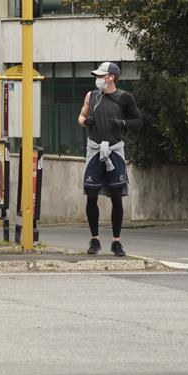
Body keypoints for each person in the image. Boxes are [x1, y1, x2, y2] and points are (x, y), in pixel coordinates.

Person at [77, 61, 142, 256]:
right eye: (97, 76)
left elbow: (138, 121)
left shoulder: (125, 98)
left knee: (116, 195)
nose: (98, 79)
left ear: (111, 77)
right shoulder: (91, 96)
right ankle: (94, 239)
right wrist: (86, 121)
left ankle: (116, 241)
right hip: (95, 149)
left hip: (115, 149)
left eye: (101, 76)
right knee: (91, 194)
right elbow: (80, 117)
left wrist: (122, 123)